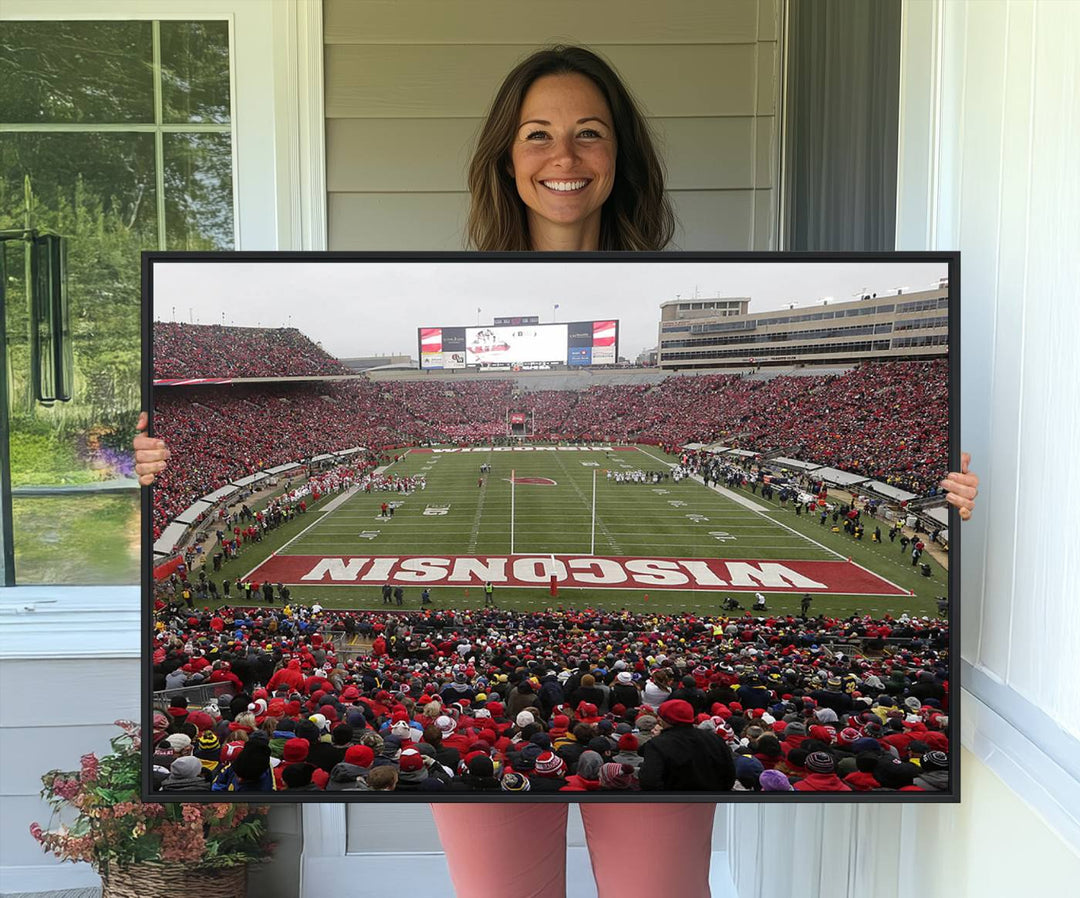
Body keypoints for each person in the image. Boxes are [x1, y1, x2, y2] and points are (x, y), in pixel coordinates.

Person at [135, 43, 980, 898]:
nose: (564, 157)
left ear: (623, 156)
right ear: (505, 157)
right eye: (537, 134)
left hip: (620, 741)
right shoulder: (431, 275)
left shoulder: (685, 283)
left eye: (590, 133)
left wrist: (956, 504)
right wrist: (142, 471)